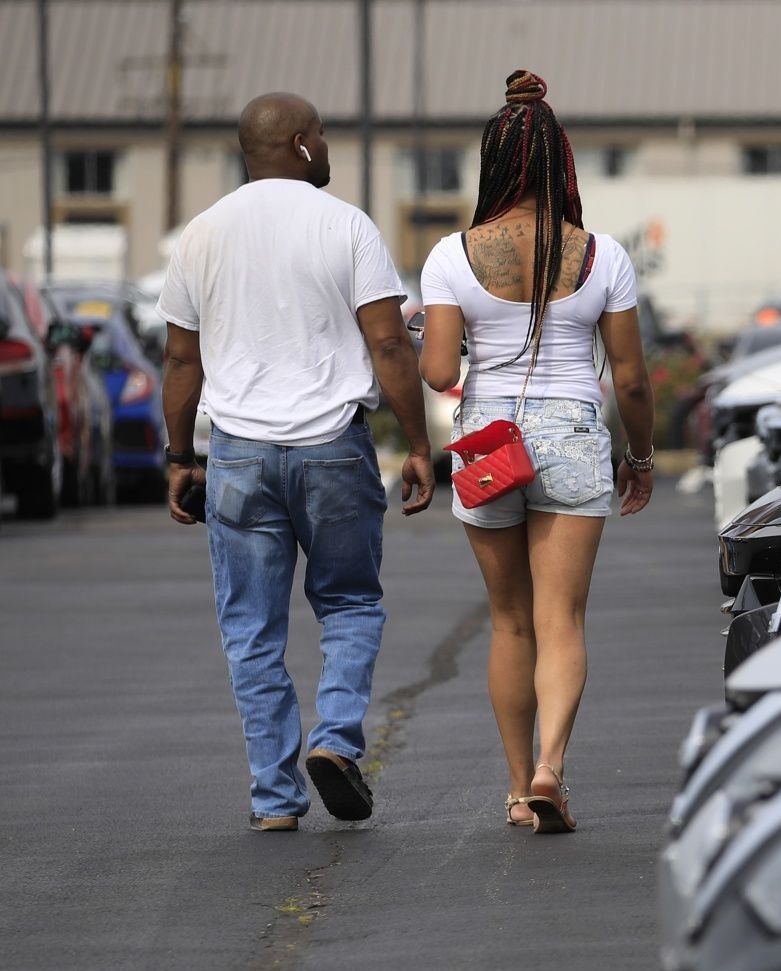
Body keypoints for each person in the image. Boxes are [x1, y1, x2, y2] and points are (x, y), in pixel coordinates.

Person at [159, 92, 436, 833]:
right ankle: (337, 741)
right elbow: (387, 345)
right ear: (303, 143)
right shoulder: (345, 225)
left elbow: (181, 359)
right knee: (349, 603)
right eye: (324, 136)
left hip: (239, 453)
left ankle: (274, 799)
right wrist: (417, 444)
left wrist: (180, 457)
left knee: (251, 628)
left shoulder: (201, 235)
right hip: (331, 449)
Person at [419, 70, 654, 835]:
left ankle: (519, 789)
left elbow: (442, 375)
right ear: (562, 163)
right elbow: (632, 378)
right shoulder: (604, 256)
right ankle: (555, 766)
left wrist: (429, 334)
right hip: (576, 437)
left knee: (510, 620)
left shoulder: (452, 255)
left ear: (493, 162)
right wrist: (642, 459)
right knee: (563, 621)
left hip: (490, 444)